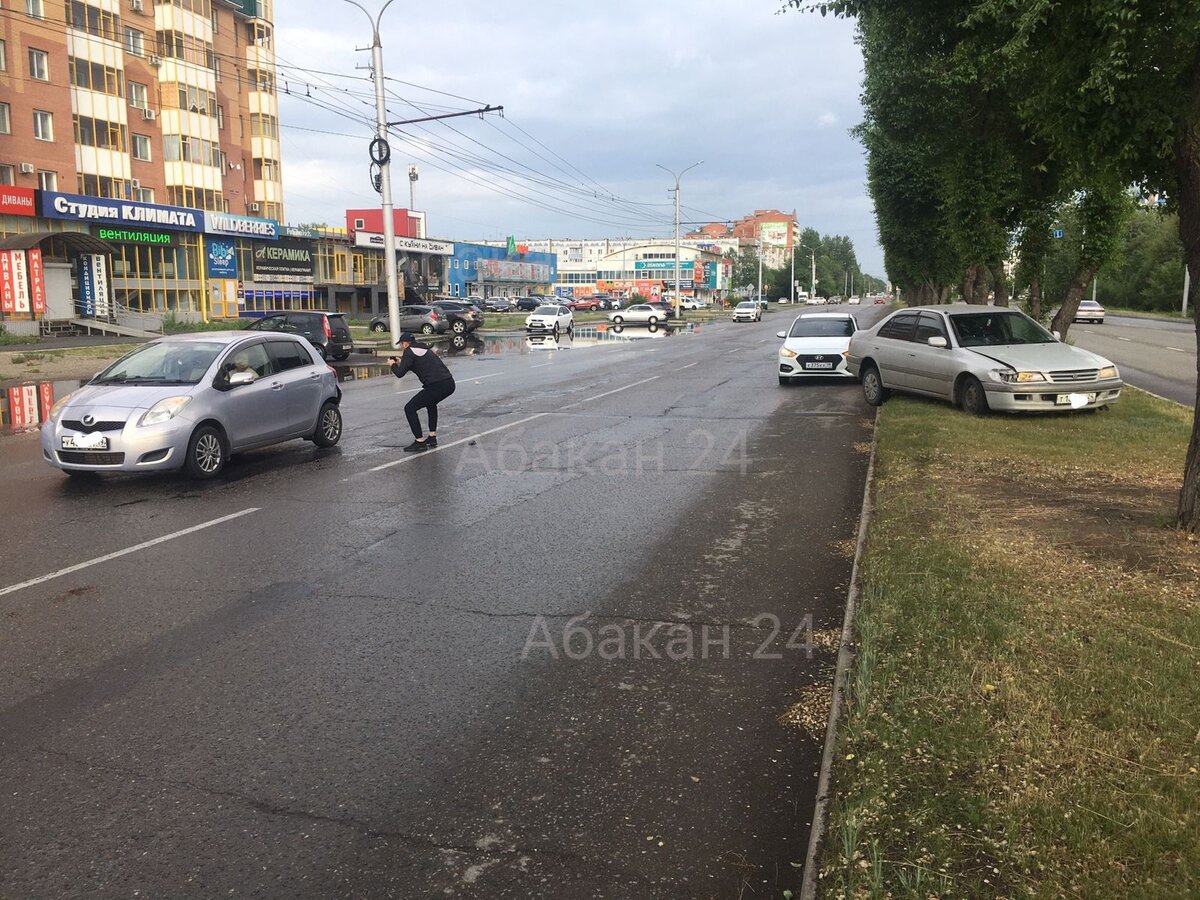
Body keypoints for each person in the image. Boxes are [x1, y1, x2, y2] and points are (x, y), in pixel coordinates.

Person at [388, 331, 456, 452]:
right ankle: (432, 437)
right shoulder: (422, 348)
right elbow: (417, 362)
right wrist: (401, 362)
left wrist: (392, 365)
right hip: (449, 383)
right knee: (431, 403)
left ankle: (419, 442)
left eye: (401, 344)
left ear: (405, 344)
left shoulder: (409, 351)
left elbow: (399, 374)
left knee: (409, 408)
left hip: (436, 385)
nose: (401, 347)